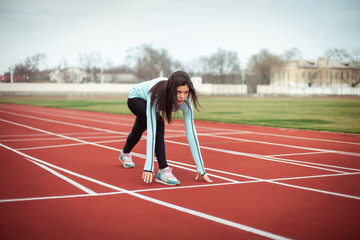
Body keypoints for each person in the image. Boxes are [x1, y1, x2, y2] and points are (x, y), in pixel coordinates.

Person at [119, 71, 212, 186]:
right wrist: (149, 166)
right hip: (136, 98)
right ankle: (163, 170)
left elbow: (192, 134)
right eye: (178, 92)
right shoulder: (157, 94)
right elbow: (152, 131)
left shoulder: (186, 102)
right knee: (158, 123)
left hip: (150, 99)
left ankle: (125, 153)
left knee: (138, 130)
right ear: (172, 89)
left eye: (186, 92)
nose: (182, 96)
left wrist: (201, 167)